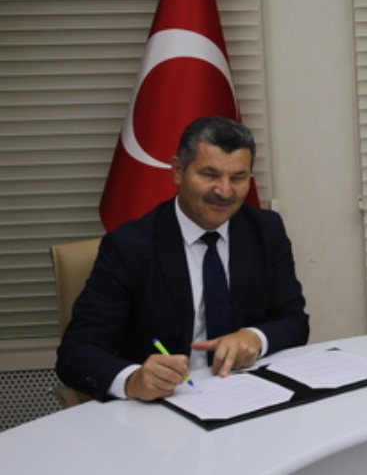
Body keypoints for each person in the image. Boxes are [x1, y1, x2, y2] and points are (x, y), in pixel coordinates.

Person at [56, 116, 309, 401]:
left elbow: (294, 321)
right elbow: (77, 352)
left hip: (247, 395)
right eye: (210, 175)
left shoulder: (265, 230)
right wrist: (133, 379)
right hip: (165, 406)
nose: (225, 191)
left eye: (238, 178)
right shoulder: (129, 246)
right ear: (178, 171)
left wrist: (255, 337)